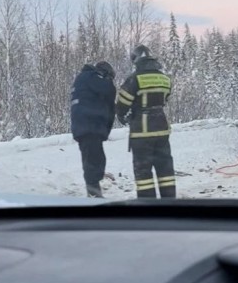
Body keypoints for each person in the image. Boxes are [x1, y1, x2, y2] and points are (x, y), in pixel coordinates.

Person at [116, 45, 176, 198]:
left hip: (142, 131)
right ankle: (169, 202)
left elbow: (123, 102)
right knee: (165, 169)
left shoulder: (134, 79)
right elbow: (165, 98)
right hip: (162, 129)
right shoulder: (164, 78)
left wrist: (122, 116)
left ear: (136, 60)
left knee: (143, 172)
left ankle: (147, 206)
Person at [70, 61, 117, 198]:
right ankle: (93, 193)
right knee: (93, 159)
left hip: (83, 125)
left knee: (93, 157)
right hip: (89, 125)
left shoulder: (83, 78)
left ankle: (93, 189)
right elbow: (109, 91)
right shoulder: (92, 77)